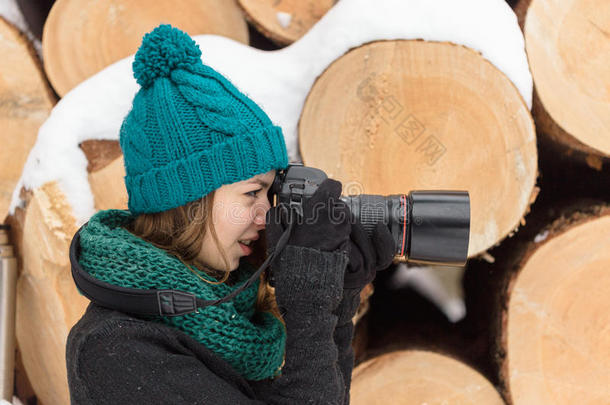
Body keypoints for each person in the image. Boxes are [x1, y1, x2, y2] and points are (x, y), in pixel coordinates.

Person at [65, 24, 394, 404]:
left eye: (269, 193)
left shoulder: (230, 322)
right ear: (188, 201)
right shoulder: (116, 350)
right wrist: (310, 302)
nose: (264, 215)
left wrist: (337, 301)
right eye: (252, 192)